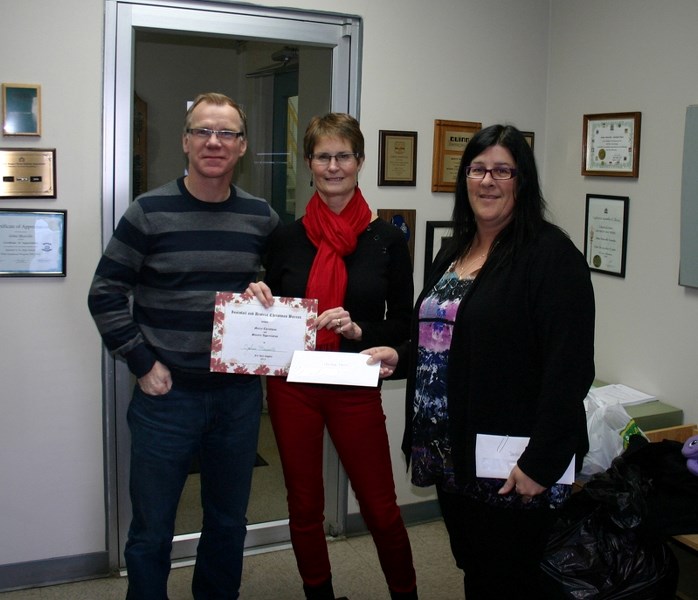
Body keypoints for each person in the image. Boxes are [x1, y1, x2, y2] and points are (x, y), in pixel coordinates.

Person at [363, 124, 595, 598]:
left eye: (502, 171)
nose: (487, 181)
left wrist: (541, 462)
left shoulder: (550, 255)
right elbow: (448, 337)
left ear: (522, 181)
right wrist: (401, 356)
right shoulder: (456, 249)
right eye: (477, 169)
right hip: (451, 453)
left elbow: (569, 369)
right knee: (475, 567)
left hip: (510, 460)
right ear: (464, 178)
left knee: (511, 577)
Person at [88, 92, 279, 600]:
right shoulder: (149, 212)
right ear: (185, 142)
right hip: (164, 398)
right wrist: (142, 362)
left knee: (227, 522)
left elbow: (283, 296)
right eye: (203, 131)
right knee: (151, 530)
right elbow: (105, 292)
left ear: (242, 147)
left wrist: (266, 297)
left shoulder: (262, 218)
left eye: (227, 133)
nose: (214, 142)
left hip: (237, 399)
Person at [247, 113, 418, 600]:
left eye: (344, 155)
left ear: (360, 162)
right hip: (293, 386)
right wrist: (256, 296)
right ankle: (318, 593)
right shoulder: (286, 237)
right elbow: (272, 318)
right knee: (303, 504)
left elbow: (404, 324)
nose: (334, 165)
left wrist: (360, 328)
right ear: (309, 164)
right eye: (324, 156)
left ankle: (406, 593)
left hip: (353, 379)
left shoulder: (387, 239)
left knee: (380, 506)